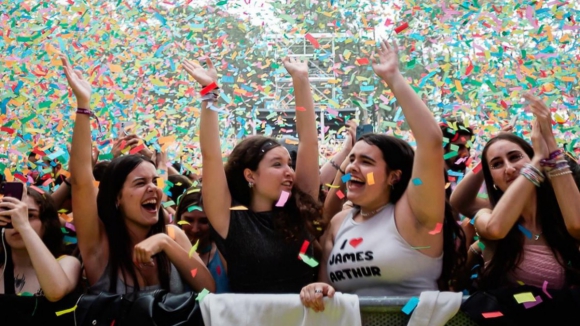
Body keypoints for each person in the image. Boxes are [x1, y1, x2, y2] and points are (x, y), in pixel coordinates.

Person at [300, 39, 466, 311]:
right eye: (352, 158)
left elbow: (431, 141)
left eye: (366, 161)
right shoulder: (340, 222)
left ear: (394, 176)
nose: (353, 166)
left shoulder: (415, 214)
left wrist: (393, 78)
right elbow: (326, 288)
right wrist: (317, 289)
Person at [60, 54, 214, 294]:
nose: (152, 188)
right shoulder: (99, 245)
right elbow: (81, 181)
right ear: (117, 197)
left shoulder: (173, 235)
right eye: (140, 183)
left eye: (154, 181)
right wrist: (83, 105)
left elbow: (207, 288)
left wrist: (165, 243)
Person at [183, 56, 324, 293]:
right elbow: (211, 156)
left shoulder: (298, 208)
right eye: (277, 164)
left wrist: (301, 80)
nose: (289, 171)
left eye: (289, 164)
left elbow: (309, 142)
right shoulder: (230, 220)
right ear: (250, 175)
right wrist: (209, 93)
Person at [473, 94, 580, 290]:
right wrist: (537, 160)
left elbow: (578, 226)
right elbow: (496, 229)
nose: (509, 168)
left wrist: (550, 141)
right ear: (492, 181)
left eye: (514, 157)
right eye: (497, 164)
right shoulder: (485, 216)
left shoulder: (561, 218)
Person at [0, 187, 81, 301]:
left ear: (47, 224)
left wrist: (24, 226)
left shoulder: (67, 263)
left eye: (29, 215)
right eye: (10, 215)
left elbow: (56, 291)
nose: (16, 222)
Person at [176, 188, 230, 293]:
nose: (195, 229)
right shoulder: (169, 253)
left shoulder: (225, 254)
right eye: (189, 220)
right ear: (179, 218)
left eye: (204, 221)